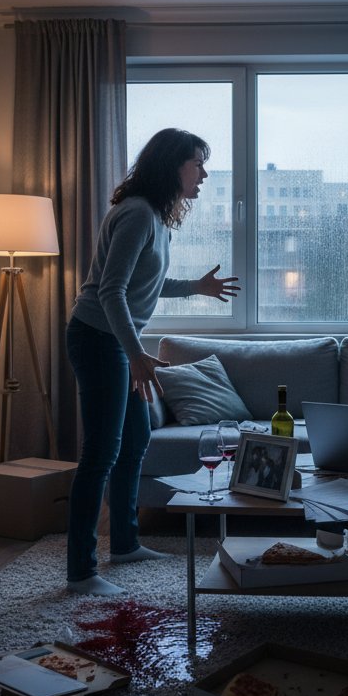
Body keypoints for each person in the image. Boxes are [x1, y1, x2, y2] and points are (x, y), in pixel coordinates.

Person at [65, 128, 240, 596]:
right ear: (172, 165)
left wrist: (195, 288)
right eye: (197, 164)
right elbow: (110, 290)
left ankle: (124, 543)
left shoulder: (156, 218)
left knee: (137, 436)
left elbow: (146, 282)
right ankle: (80, 572)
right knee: (100, 453)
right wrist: (134, 354)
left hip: (115, 341)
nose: (203, 173)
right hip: (98, 339)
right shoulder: (139, 213)